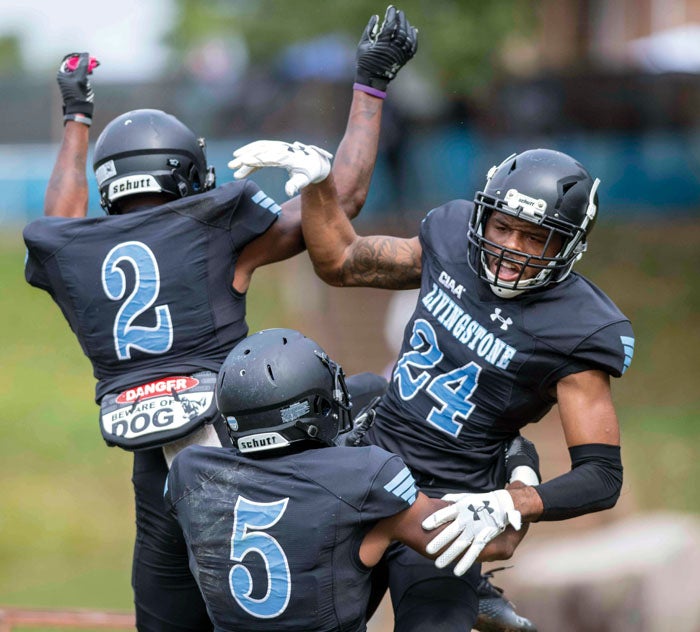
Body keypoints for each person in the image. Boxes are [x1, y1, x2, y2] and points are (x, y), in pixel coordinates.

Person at [22, 8, 418, 631]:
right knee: (389, 426)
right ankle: (452, 598)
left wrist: (76, 116)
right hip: (247, 437)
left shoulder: (75, 247)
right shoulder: (213, 227)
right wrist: (370, 86)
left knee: (166, 619)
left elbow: (59, 220)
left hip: (157, 464)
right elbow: (341, 200)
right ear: (189, 175)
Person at [227, 141, 634, 631]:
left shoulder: (580, 329)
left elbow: (601, 475)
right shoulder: (452, 238)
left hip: (452, 507)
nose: (509, 249)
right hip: (371, 460)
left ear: (571, 243)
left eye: (534, 238)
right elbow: (341, 261)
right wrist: (320, 187)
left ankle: (473, 587)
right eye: (502, 227)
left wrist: (510, 502)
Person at [165, 327, 526, 631]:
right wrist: (522, 467)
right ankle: (473, 591)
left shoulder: (188, 471)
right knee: (416, 533)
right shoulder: (363, 474)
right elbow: (499, 543)